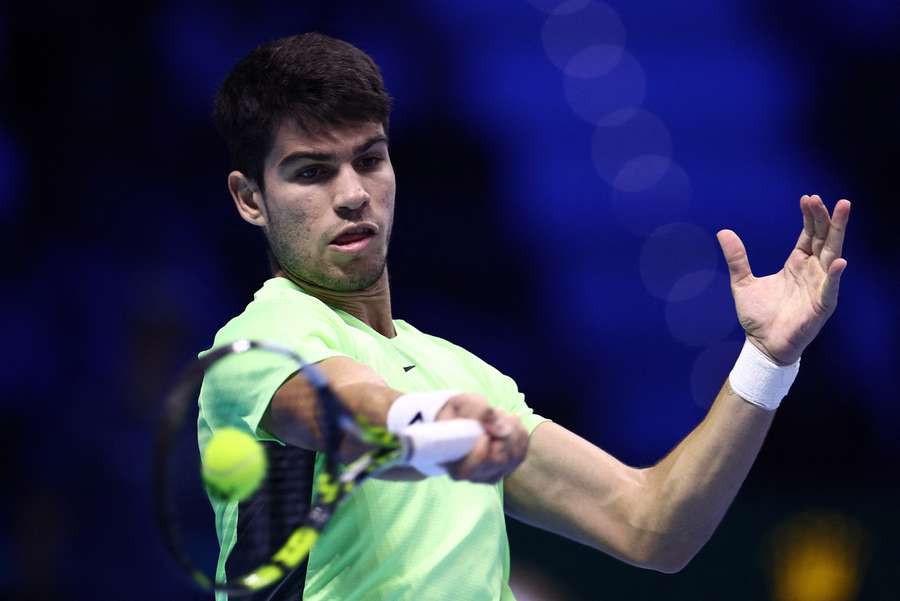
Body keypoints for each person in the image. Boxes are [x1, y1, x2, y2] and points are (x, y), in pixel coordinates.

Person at [199, 32, 851, 600]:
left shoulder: (464, 375)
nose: (351, 194)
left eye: (369, 159)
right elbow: (350, 413)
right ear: (250, 198)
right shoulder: (258, 345)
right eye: (311, 172)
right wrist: (437, 429)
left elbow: (651, 524)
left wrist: (768, 360)